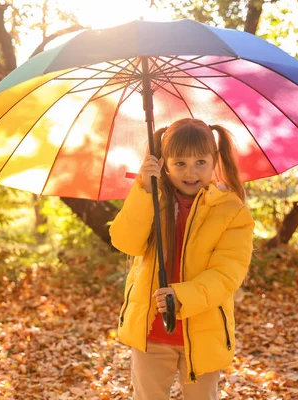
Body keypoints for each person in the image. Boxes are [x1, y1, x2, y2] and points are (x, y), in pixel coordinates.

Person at [109, 118, 255, 400]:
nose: (191, 172)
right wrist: (144, 190)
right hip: (151, 331)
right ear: (164, 163)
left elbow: (226, 275)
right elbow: (125, 242)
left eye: (200, 162)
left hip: (204, 332)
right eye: (180, 163)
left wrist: (180, 296)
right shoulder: (153, 199)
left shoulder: (231, 212)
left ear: (215, 161)